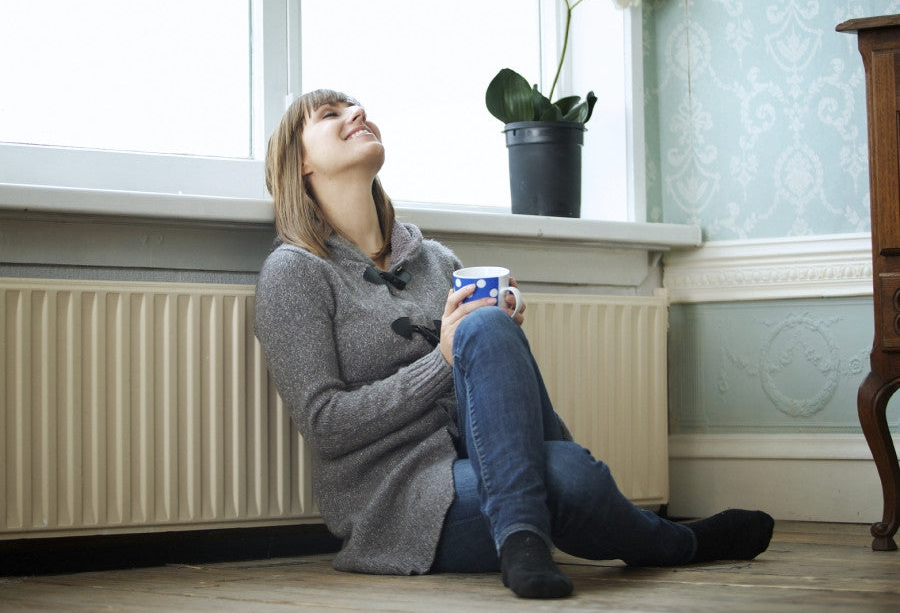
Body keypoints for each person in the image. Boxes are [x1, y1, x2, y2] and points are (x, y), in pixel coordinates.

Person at [253, 89, 774, 599]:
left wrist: (498, 332)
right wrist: (442, 359)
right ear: (299, 162)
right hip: (402, 502)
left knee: (488, 331)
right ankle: (670, 542)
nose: (358, 112)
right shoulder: (294, 273)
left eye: (357, 106)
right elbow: (325, 424)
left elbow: (479, 373)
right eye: (330, 114)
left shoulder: (436, 261)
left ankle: (525, 542)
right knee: (571, 476)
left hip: (491, 463)